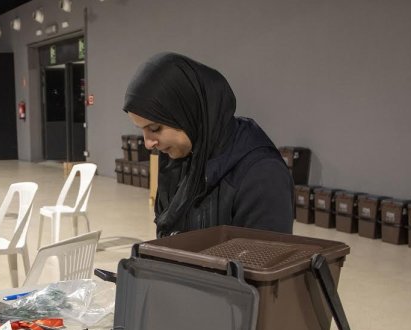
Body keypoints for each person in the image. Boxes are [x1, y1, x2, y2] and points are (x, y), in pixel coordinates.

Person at [124, 52, 293, 237]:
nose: (148, 143)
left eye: (155, 128)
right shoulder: (179, 160)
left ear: (188, 113)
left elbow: (262, 260)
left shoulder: (262, 174)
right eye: (142, 130)